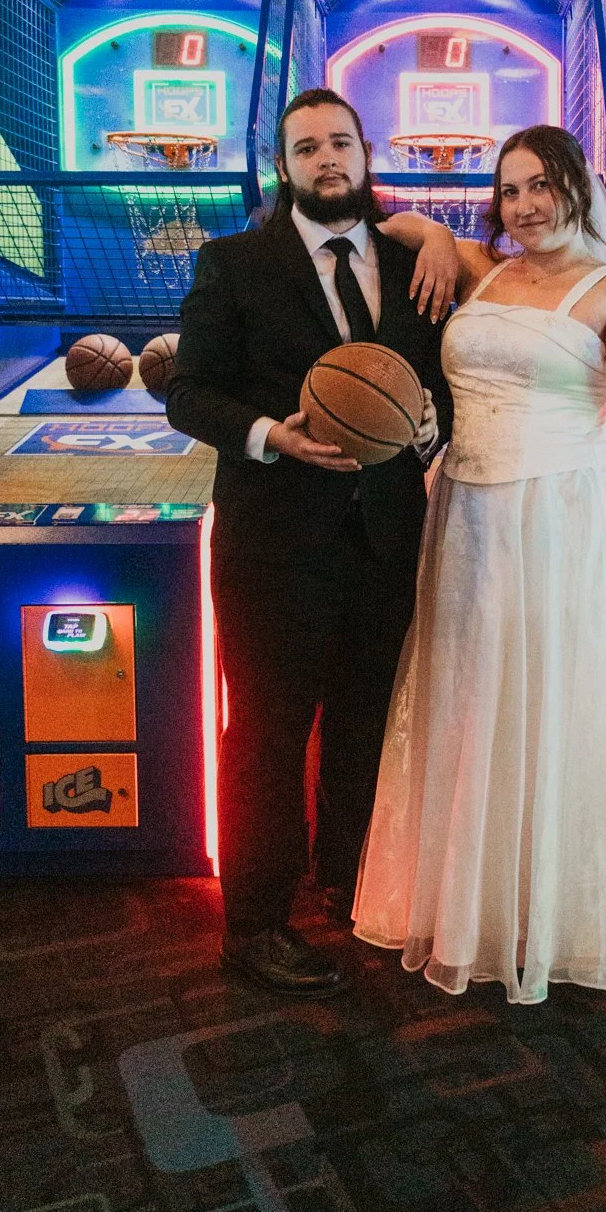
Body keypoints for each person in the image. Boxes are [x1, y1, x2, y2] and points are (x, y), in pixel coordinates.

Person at [353, 124, 606, 1003]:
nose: (526, 205)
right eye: (510, 190)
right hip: (468, 515)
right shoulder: (488, 266)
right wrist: (438, 234)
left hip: (561, 521)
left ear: (579, 188)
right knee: (478, 701)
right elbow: (393, 222)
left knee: (557, 705)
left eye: (543, 186)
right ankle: (484, 904)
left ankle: (562, 915)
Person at [167, 88, 457, 992]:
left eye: (340, 143)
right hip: (273, 546)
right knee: (266, 734)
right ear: (282, 166)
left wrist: (424, 430)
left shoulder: (415, 261)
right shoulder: (235, 262)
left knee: (364, 730)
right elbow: (190, 392)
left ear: (364, 154)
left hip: (384, 538)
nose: (326, 160)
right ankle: (253, 925)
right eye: (306, 149)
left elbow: (438, 392)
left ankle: (348, 883)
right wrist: (270, 434)